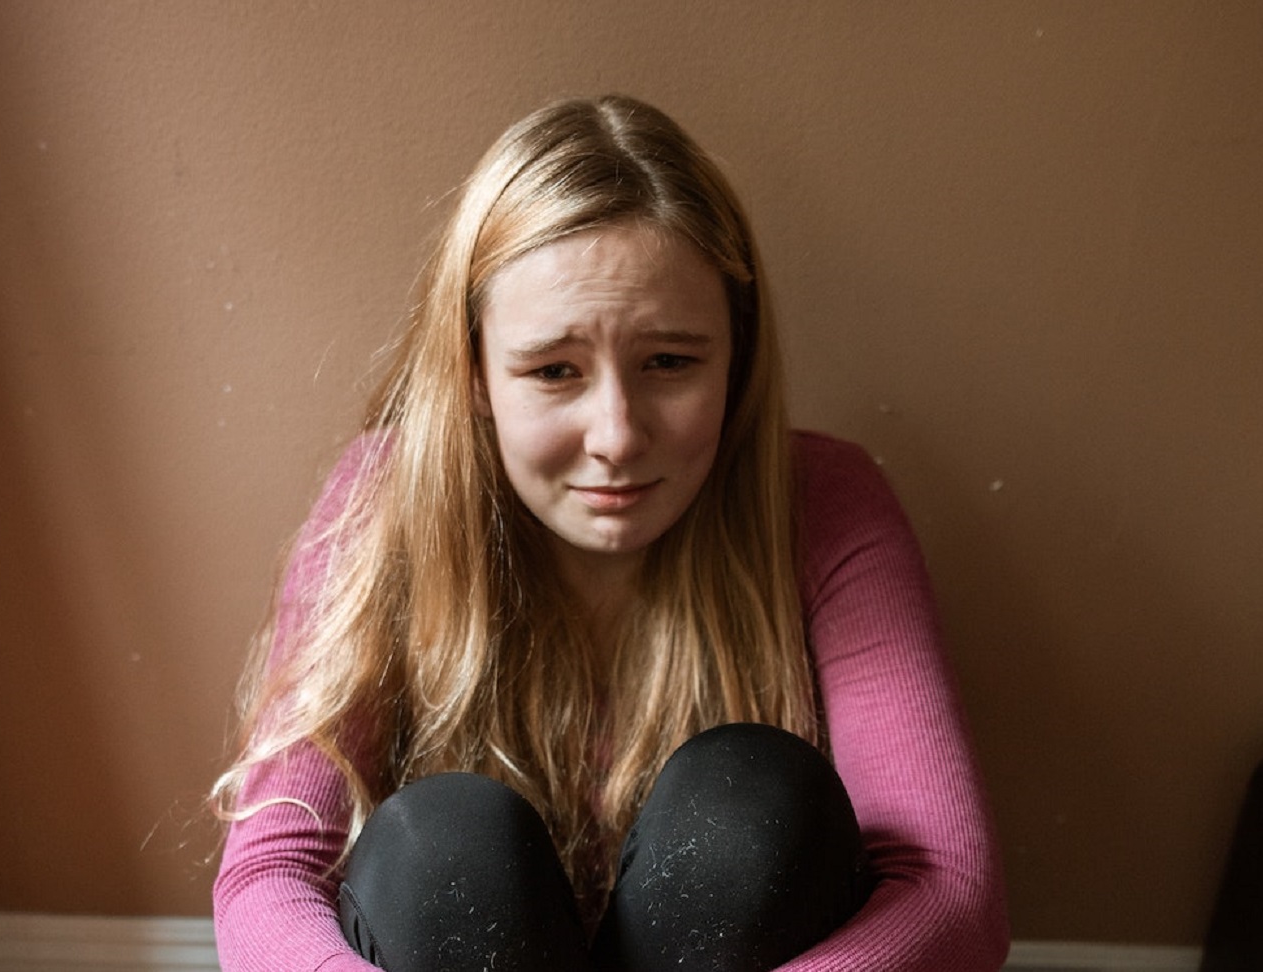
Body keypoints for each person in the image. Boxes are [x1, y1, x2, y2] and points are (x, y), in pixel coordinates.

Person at [211, 94, 1009, 972]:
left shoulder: (823, 502)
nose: (618, 436)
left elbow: (950, 891)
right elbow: (267, 876)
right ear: (474, 372)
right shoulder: (388, 501)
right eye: (554, 371)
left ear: (737, 356)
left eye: (669, 362)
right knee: (441, 848)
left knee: (749, 803)